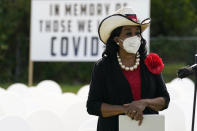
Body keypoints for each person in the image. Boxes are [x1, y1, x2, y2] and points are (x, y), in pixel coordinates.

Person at [86, 7, 170, 131]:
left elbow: (165, 99)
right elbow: (93, 106)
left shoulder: (150, 62)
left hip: (148, 127)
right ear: (116, 39)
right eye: (128, 33)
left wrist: (144, 103)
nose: (135, 37)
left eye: (137, 33)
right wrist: (125, 109)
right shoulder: (103, 67)